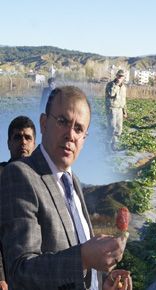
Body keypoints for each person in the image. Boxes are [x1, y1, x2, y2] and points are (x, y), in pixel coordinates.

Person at [0, 86, 132, 290]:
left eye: (79, 129)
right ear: (44, 124)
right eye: (63, 122)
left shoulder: (73, 182)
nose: (71, 134)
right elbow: (20, 272)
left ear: (84, 139)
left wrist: (99, 282)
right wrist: (84, 258)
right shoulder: (20, 175)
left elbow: (73, 255)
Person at [0, 116, 36, 290]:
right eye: (17, 137)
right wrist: (1, 276)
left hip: (38, 273)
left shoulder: (42, 181)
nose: (23, 142)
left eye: (28, 138)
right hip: (7, 275)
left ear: (34, 144)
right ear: (8, 143)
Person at [105, 69, 128, 151]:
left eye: (121, 76)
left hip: (119, 109)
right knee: (111, 128)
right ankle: (107, 146)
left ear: (124, 77)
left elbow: (124, 100)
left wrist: (125, 111)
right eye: (118, 76)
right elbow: (111, 94)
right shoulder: (110, 85)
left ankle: (114, 145)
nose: (120, 77)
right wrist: (116, 84)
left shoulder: (124, 87)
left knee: (119, 129)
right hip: (112, 108)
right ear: (116, 76)